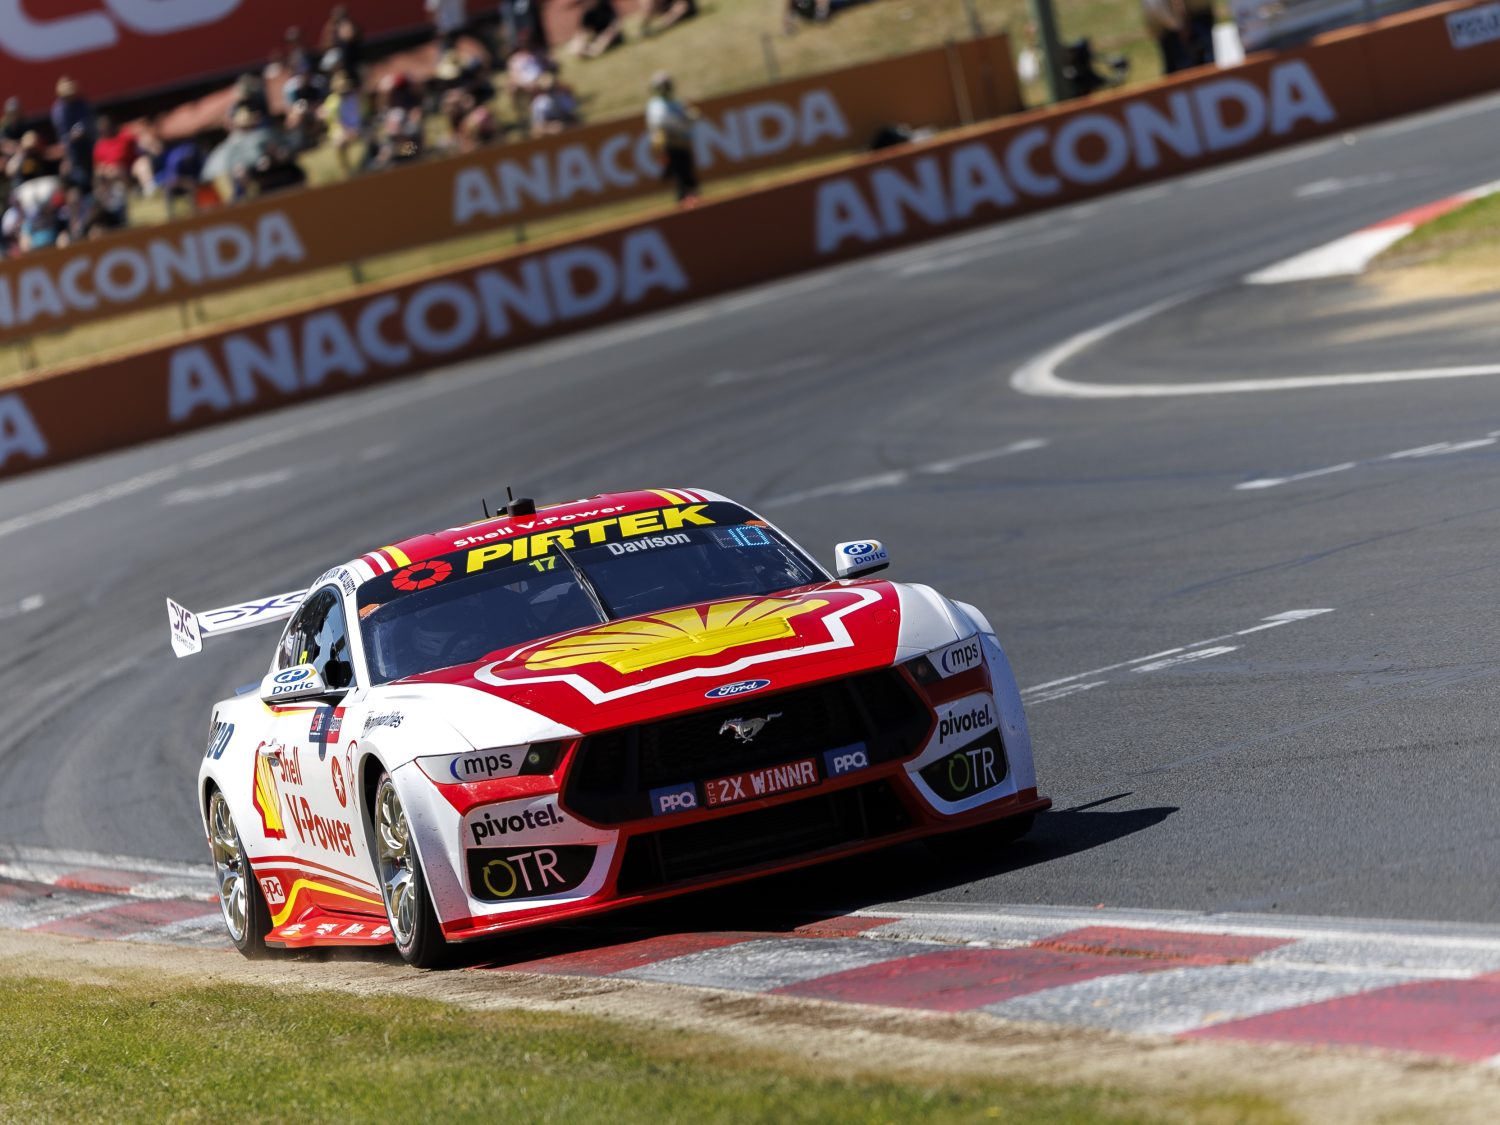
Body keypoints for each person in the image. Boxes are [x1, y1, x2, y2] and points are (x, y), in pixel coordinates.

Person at [645, 71, 698, 204]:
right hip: (670, 146)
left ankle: (692, 201)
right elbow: (663, 121)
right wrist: (684, 120)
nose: (665, 88)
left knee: (689, 177)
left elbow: (687, 121)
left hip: (682, 144)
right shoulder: (656, 106)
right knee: (680, 178)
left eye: (667, 85)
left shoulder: (676, 103)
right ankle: (684, 203)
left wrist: (689, 117)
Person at [50, 77, 95, 189]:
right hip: (71, 147)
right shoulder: (59, 110)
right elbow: (64, 134)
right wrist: (72, 136)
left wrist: (82, 129)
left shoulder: (81, 102)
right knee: (78, 175)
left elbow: (88, 121)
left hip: (87, 142)